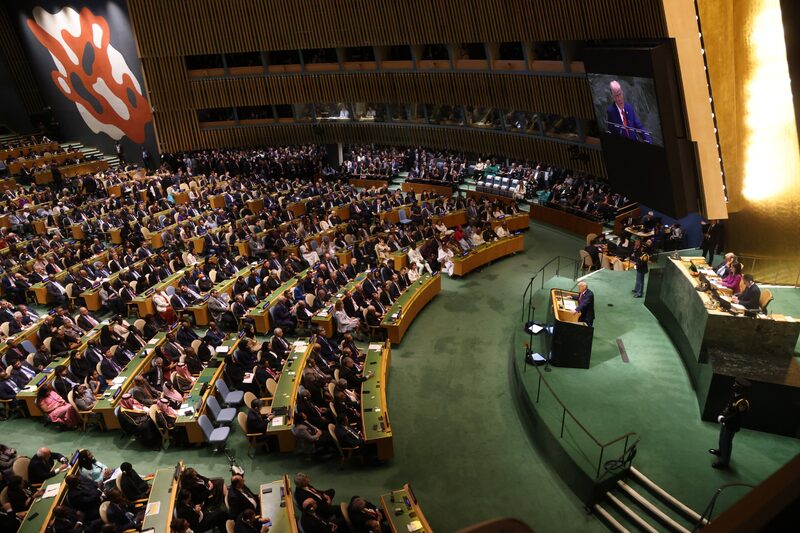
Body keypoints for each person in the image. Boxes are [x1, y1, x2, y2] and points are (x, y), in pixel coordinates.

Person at [709, 378, 750, 469]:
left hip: (732, 425)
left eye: (737, 385)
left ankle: (724, 462)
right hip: (726, 422)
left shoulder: (742, 402)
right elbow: (728, 406)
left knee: (727, 442)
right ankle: (720, 451)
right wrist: (722, 415)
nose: (734, 385)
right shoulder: (735, 395)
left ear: (742, 388)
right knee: (722, 437)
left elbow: (737, 416)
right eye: (735, 383)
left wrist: (725, 420)